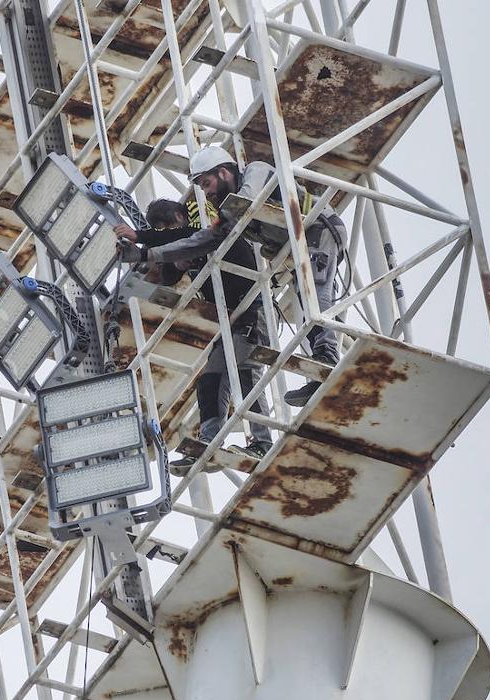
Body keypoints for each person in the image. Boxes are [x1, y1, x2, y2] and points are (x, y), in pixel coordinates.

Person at [119, 145, 348, 407]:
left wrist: (224, 218)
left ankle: (327, 357)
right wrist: (145, 255)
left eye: (207, 183)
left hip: (320, 229)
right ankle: (321, 367)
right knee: (308, 303)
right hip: (298, 243)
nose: (206, 193)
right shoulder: (231, 214)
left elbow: (247, 197)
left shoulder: (257, 170)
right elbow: (197, 241)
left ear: (225, 172)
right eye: (202, 188)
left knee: (315, 293)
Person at [114, 199, 274, 475]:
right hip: (232, 321)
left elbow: (181, 239)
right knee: (210, 379)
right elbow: (168, 273)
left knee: (245, 371)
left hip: (251, 312)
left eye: (167, 226)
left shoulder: (205, 231)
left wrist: (140, 239)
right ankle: (209, 442)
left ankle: (262, 442)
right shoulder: (187, 246)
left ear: (180, 216)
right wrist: (173, 264)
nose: (168, 234)